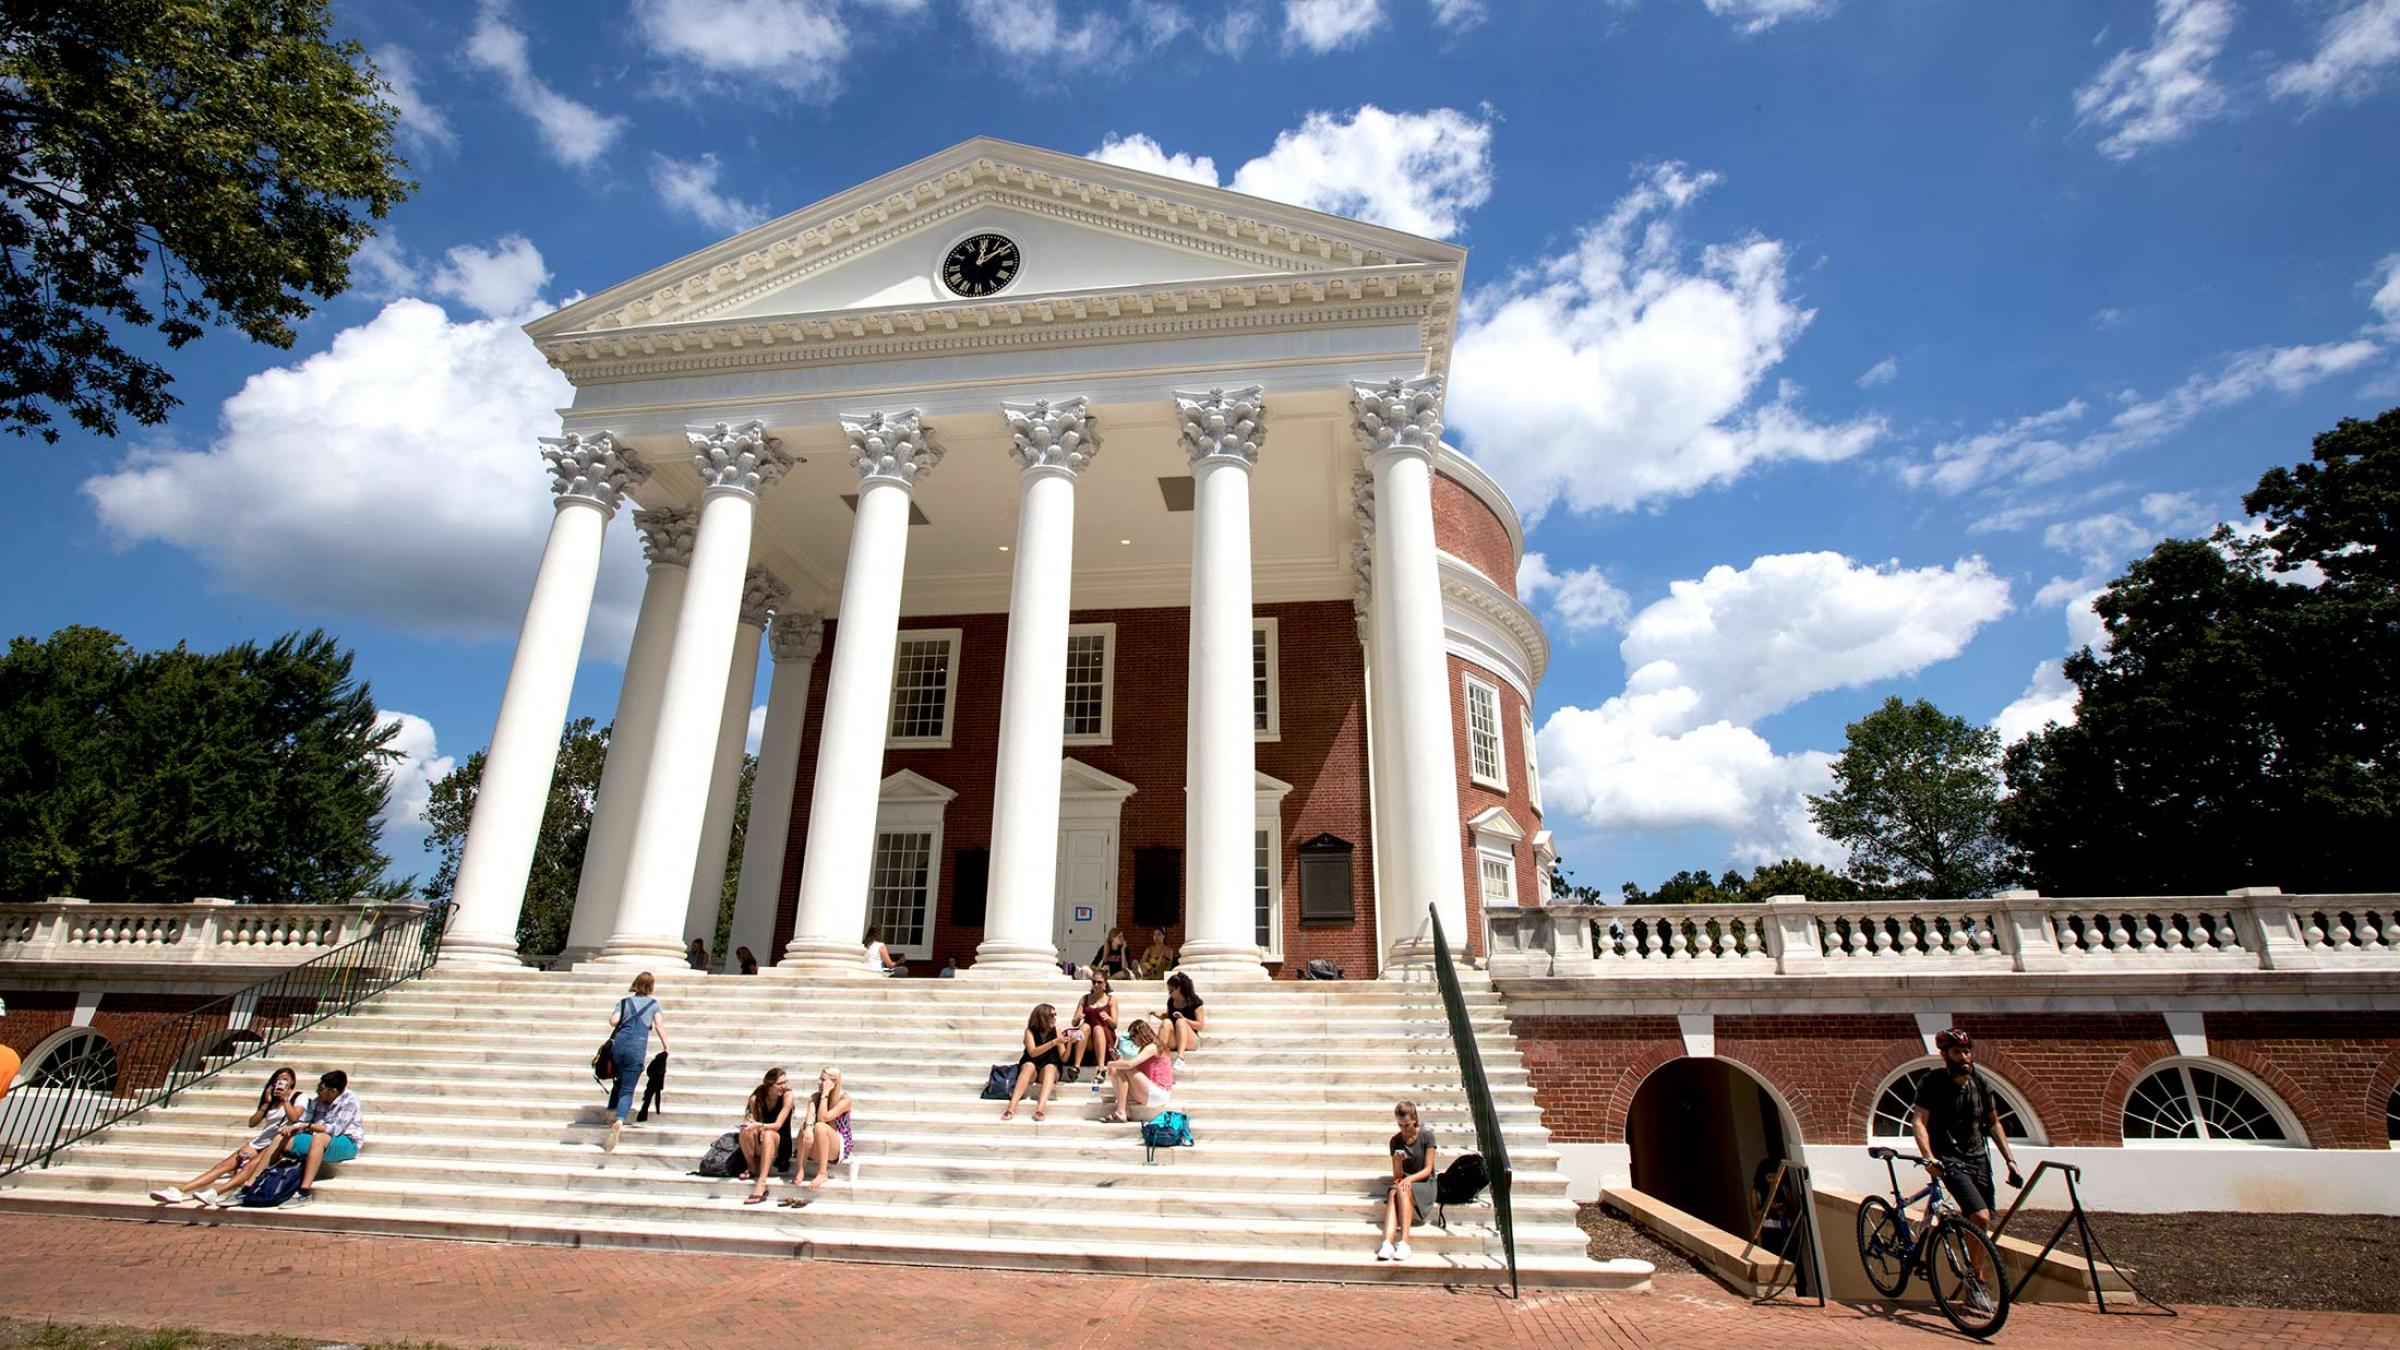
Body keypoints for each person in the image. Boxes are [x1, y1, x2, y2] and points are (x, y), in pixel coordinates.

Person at [1911, 1028, 2024, 1312]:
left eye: (1967, 1051)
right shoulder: (1932, 1083)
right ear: (1945, 1054)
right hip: (1949, 1159)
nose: (1965, 1056)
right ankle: (1977, 1283)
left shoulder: (1980, 1083)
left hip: (1978, 1159)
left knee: (1980, 1223)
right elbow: (1919, 1121)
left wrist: (2010, 1160)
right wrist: (1928, 1157)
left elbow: (1994, 1122)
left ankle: (1972, 1275)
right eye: (1958, 1052)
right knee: (1980, 1216)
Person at [149, 1066, 302, 1207]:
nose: (280, 1083)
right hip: (260, 1142)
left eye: (284, 1080)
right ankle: (179, 1190)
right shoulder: (271, 1100)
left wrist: (285, 1099)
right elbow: (252, 1123)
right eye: (277, 1080)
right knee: (223, 1166)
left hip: (278, 1143)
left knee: (248, 1169)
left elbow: (295, 1118)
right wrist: (266, 1104)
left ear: (292, 1082)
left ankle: (215, 1193)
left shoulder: (298, 1097)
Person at [278, 1070, 364, 1208]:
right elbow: (302, 1121)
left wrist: (309, 1126)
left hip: (347, 1142)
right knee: (280, 1139)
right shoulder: (318, 1101)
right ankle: (249, 1185)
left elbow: (336, 1130)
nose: (318, 1091)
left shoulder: (350, 1099)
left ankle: (304, 1192)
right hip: (318, 1139)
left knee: (320, 1138)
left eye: (321, 1089)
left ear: (333, 1091)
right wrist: (291, 1128)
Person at [603, 973, 668, 1153]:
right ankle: (619, 1119)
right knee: (628, 1088)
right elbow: (659, 1026)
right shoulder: (654, 1005)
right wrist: (666, 1046)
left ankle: (610, 1112)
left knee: (618, 1079)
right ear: (651, 986)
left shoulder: (624, 1002)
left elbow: (613, 1021)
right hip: (637, 1046)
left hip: (620, 1044)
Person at [1378, 1100, 1437, 1262]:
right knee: (1392, 1192)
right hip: (1405, 1183)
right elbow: (1397, 1176)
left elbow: (1428, 1169)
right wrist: (1397, 1161)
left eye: (1407, 1125)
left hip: (1425, 1183)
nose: (1403, 1129)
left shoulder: (1427, 1137)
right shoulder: (1395, 1141)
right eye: (1400, 1125)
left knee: (1402, 1189)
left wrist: (1409, 1179)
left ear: (1414, 1120)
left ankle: (1404, 1242)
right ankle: (1387, 1243)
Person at [783, 1066, 854, 1202]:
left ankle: (822, 1172)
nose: (819, 1083)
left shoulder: (844, 1099)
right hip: (818, 1145)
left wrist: (825, 1094)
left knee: (820, 1126)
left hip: (838, 1147)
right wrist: (808, 1129)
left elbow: (823, 1118)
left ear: (834, 1082)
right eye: (819, 1079)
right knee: (806, 1126)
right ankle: (801, 1170)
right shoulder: (815, 1097)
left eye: (823, 1080)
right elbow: (810, 1117)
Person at [737, 1068, 795, 1205]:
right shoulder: (756, 1098)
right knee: (745, 1128)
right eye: (780, 1084)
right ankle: (751, 1167)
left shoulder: (788, 1096)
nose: (784, 1086)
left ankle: (761, 1182)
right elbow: (755, 1121)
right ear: (769, 1085)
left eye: (785, 1082)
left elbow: (777, 1125)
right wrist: (754, 1126)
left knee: (769, 1133)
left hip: (780, 1142)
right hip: (762, 1139)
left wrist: (760, 1126)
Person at [1003, 1004, 1070, 1122]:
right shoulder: (1029, 1031)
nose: (1055, 1018)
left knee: (1050, 1067)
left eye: (1055, 1015)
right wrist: (1053, 1042)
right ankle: (1011, 1107)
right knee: (1028, 1066)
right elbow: (1033, 1052)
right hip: (1033, 1066)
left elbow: (1064, 1058)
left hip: (1049, 1067)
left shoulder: (1056, 1030)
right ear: (1042, 1017)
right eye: (1052, 1015)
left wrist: (1069, 1044)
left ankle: (1040, 1109)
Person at [1101, 1020, 1172, 1123]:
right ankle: (1125, 1111)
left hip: (1159, 1093)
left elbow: (1130, 1065)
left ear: (1141, 1034)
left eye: (1133, 1037)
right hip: (1150, 1092)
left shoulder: (1153, 1047)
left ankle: (1121, 1111)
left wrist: (1109, 1064)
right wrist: (1117, 1061)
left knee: (1121, 1068)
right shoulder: (1143, 1049)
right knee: (1115, 1072)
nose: (1133, 1041)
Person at [1066, 972, 1117, 1082]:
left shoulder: (1111, 1000)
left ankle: (1101, 1068)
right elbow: (1074, 1023)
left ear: (1105, 984)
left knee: (1098, 1029)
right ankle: (1076, 1066)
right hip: (1087, 1038)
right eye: (1094, 982)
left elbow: (1115, 1024)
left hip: (1104, 1036)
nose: (1096, 985)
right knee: (1085, 1027)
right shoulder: (1084, 999)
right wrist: (1078, 1018)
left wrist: (1108, 1018)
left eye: (1099, 982)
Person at [1158, 971, 1206, 1065]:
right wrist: (1159, 1015)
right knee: (1166, 1022)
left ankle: (1180, 1057)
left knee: (1180, 1022)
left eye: (1171, 990)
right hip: (1175, 1038)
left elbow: (1200, 1025)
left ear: (1179, 989)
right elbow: (1169, 1018)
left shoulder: (1194, 1001)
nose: (1170, 993)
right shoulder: (1171, 1002)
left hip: (1191, 1040)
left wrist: (1184, 1019)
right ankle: (1157, 1053)